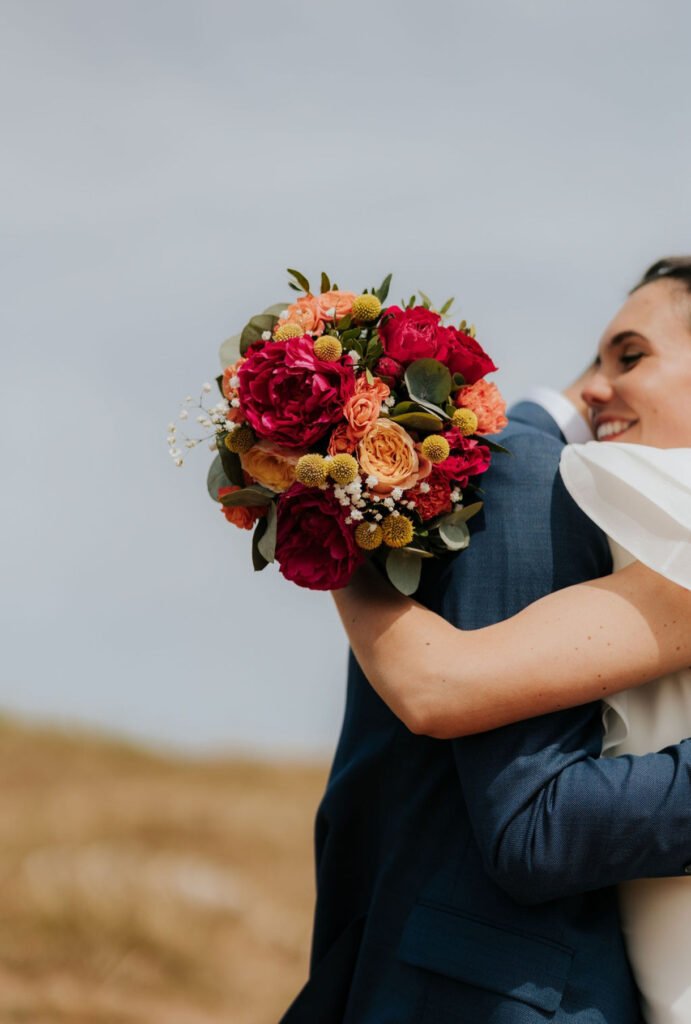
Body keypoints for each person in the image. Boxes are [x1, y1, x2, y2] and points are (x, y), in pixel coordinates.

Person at [280, 257, 691, 1024]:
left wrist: (324, 516)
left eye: (630, 355)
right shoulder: (640, 527)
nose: (592, 388)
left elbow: (440, 687)